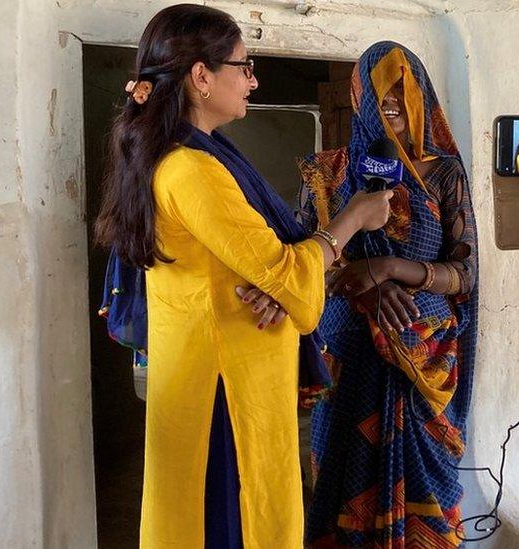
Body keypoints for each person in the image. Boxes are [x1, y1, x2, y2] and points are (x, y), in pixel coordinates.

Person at [93, 5, 392, 546]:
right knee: (228, 522)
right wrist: (354, 218)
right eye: (243, 65)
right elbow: (282, 269)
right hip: (223, 391)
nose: (252, 79)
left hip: (216, 368)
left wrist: (281, 285)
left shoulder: (201, 155)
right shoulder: (191, 169)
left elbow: (257, 266)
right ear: (201, 77)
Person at [295, 41, 478, 548]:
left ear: (423, 94)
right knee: (340, 485)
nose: (392, 100)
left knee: (430, 506)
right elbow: (302, 266)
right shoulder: (325, 175)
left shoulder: (442, 173)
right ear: (359, 98)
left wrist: (390, 267)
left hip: (423, 363)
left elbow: (465, 274)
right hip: (349, 360)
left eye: (402, 87)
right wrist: (362, 290)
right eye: (379, 89)